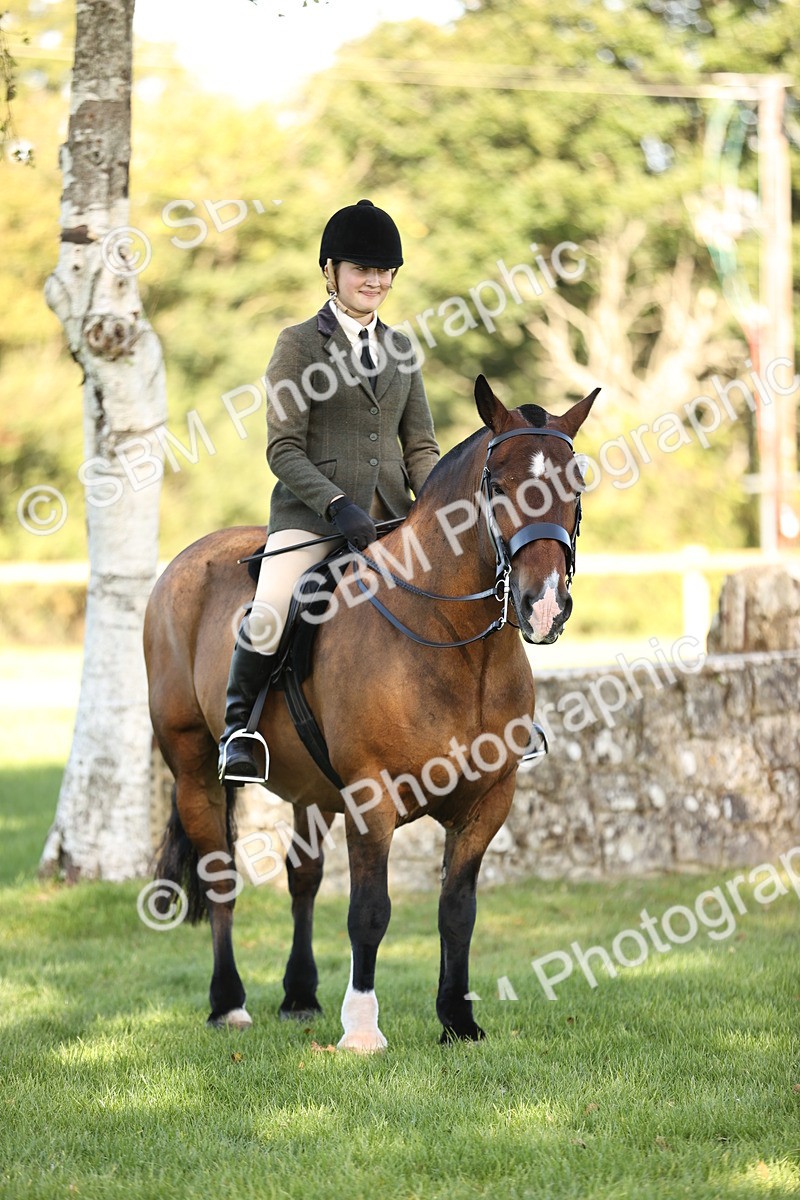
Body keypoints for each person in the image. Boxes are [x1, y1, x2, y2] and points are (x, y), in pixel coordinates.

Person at [219, 199, 440, 783]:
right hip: (315, 519)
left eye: (385, 270)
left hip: (393, 516)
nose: (376, 280)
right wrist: (337, 504)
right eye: (362, 269)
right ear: (331, 271)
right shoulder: (298, 345)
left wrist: (435, 508)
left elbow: (419, 445)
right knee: (269, 609)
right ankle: (237, 731)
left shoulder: (401, 349)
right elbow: (282, 449)